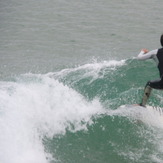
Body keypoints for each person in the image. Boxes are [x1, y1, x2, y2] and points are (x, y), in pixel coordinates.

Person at [137, 34, 163, 106]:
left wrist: (143, 51)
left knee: (149, 84)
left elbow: (140, 58)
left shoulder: (156, 52)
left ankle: (143, 104)